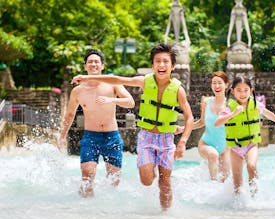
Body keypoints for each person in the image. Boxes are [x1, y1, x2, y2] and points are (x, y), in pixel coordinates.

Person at [71, 43, 194, 209]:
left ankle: (166, 216)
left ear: (173, 66)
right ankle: (155, 169)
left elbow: (189, 117)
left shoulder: (178, 90)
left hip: (166, 139)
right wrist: (87, 78)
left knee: (165, 184)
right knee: (147, 180)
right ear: (152, 65)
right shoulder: (144, 82)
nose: (161, 65)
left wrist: (183, 142)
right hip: (146, 137)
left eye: (166, 61)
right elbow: (118, 79)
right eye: (158, 61)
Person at [58, 49, 135, 197]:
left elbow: (130, 102)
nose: (93, 64)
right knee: (87, 176)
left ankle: (107, 213)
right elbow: (69, 114)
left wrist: (111, 100)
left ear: (102, 66)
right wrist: (62, 136)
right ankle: (86, 210)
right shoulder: (78, 91)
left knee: (114, 180)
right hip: (90, 137)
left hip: (111, 136)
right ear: (85, 66)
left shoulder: (113, 85)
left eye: (96, 62)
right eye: (90, 62)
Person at [214, 75, 275, 196]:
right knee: (237, 183)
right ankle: (239, 207)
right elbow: (217, 123)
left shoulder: (255, 105)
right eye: (239, 90)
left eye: (245, 90)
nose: (242, 93)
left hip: (251, 145)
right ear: (233, 91)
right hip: (235, 148)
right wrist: (233, 113)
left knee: (251, 166)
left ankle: (255, 197)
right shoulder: (229, 108)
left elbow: (268, 113)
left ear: (251, 90)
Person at [177, 71, 230, 181]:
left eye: (220, 83)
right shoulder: (206, 102)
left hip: (225, 148)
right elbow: (201, 122)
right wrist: (183, 129)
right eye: (214, 83)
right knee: (213, 155)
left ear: (227, 84)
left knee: (225, 179)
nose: (216, 86)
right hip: (206, 144)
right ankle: (212, 185)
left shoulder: (231, 105)